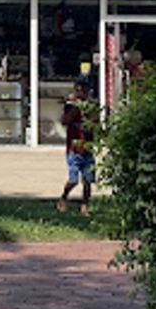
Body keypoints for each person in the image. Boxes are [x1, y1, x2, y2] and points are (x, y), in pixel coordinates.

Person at [56, 83, 95, 217]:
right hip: (74, 149)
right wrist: (73, 108)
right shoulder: (71, 107)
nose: (80, 93)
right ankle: (63, 197)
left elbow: (96, 123)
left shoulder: (91, 107)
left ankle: (85, 205)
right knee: (73, 179)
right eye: (77, 90)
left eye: (83, 90)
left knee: (88, 180)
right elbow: (64, 121)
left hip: (88, 148)